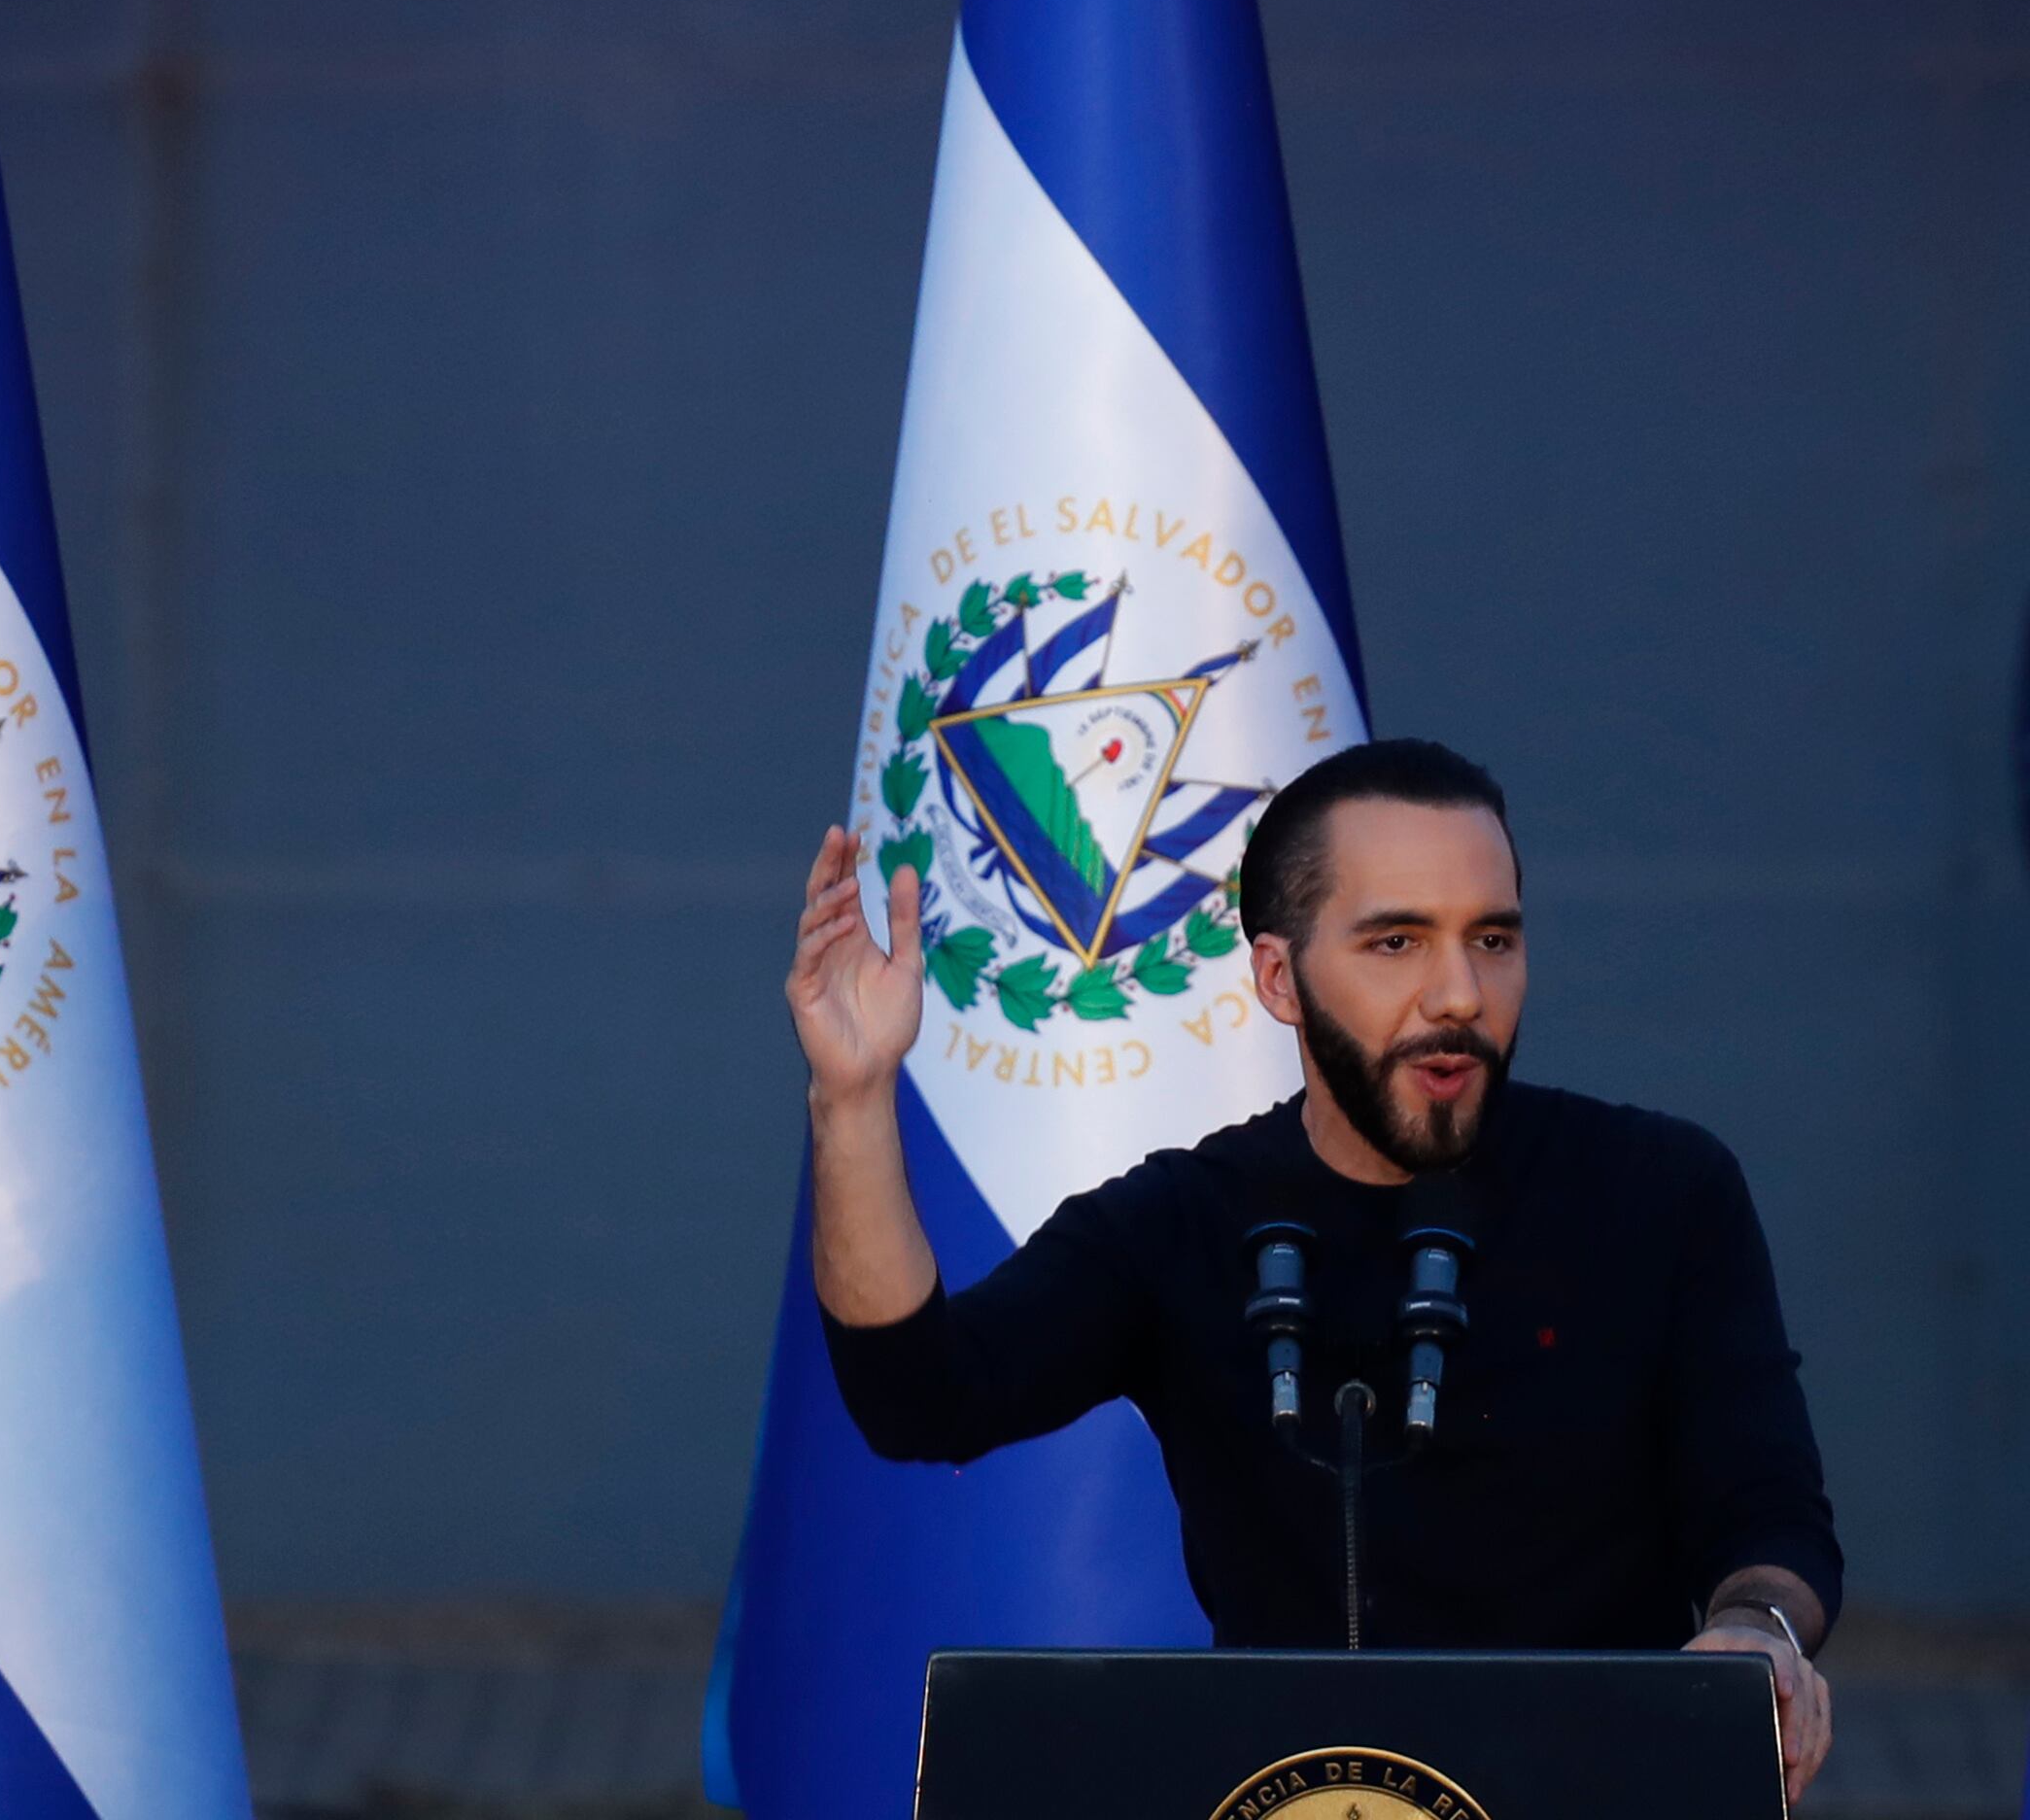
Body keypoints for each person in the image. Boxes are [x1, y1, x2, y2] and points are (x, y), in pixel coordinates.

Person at [786, 737, 1841, 1802]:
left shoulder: (1661, 1191)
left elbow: (1770, 1517)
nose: (1459, 993)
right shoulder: (1188, 1219)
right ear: (1279, 978)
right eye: (1397, 943)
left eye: (1492, 939)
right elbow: (921, 1396)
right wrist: (854, 1099)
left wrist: (1756, 1631)